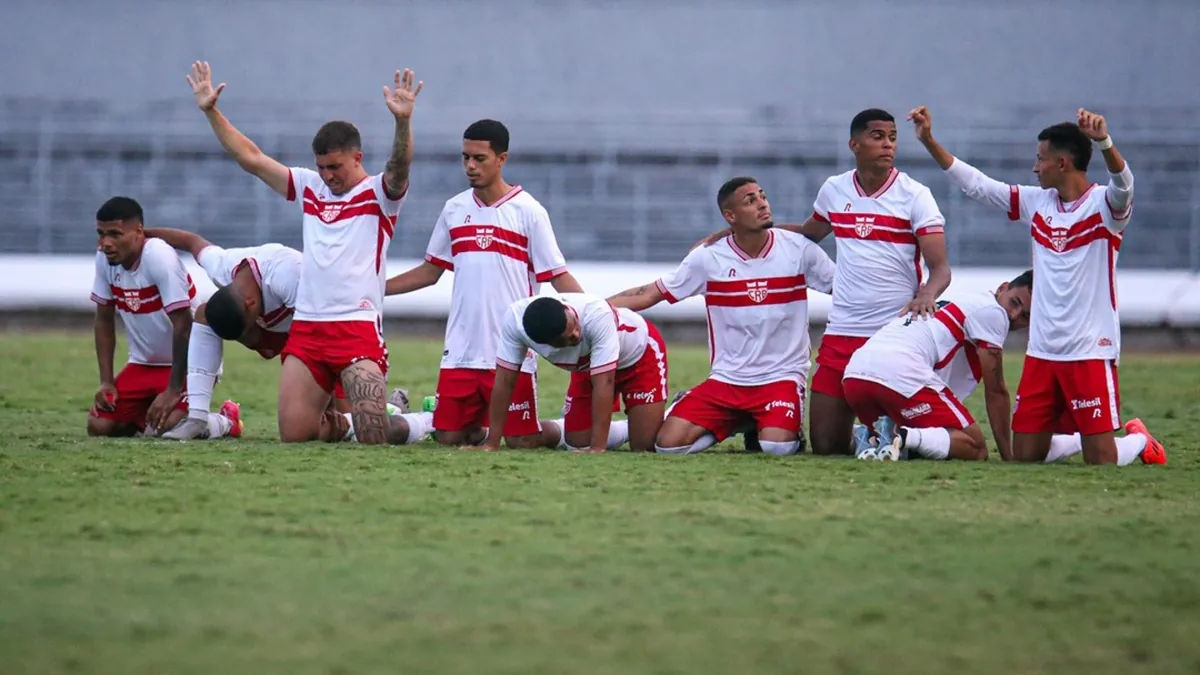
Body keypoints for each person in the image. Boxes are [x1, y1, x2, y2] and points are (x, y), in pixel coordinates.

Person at [908, 105, 1165, 465]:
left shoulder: (1104, 207)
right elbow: (979, 186)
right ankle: (1079, 436)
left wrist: (1105, 142)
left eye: (1040, 158)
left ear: (1062, 163)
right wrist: (930, 142)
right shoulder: (1037, 202)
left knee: (1102, 464)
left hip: (1089, 352)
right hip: (1042, 353)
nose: (1034, 167)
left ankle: (1137, 441)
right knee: (1025, 458)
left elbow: (1125, 185)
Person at [187, 61, 423, 445]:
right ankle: (351, 421)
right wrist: (210, 111)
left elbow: (400, 165)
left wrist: (402, 122)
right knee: (295, 436)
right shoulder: (311, 189)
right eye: (322, 167)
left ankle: (420, 421)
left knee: (375, 437)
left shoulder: (379, 195)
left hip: (356, 328)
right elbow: (252, 158)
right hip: (309, 330)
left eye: (336, 166)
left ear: (358, 158)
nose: (328, 175)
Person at [695, 109, 951, 455]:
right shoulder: (835, 189)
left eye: (892, 137)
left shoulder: (915, 195)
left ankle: (900, 438)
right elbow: (807, 234)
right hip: (842, 331)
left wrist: (926, 294)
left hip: (891, 332)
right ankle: (860, 437)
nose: (887, 144)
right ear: (854, 144)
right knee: (826, 446)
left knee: (913, 431)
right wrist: (739, 231)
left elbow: (940, 270)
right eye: (877, 136)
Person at [385, 119, 583, 448]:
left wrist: (595, 313)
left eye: (479, 158)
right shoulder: (454, 209)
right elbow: (430, 271)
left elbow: (558, 275)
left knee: (523, 443)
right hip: (461, 352)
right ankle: (423, 415)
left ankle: (565, 427)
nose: (470, 166)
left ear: (501, 159)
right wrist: (375, 288)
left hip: (510, 352)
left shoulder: (529, 212)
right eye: (465, 158)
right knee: (449, 438)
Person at [610, 177, 835, 455]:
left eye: (762, 196)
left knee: (777, 447)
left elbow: (845, 288)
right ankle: (738, 421)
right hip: (727, 380)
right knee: (667, 446)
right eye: (750, 201)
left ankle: (768, 425)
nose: (762, 203)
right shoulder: (707, 258)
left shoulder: (799, 249)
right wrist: (597, 308)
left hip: (781, 378)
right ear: (730, 216)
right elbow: (649, 293)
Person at [145, 227, 432, 444]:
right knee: (204, 315)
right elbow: (192, 242)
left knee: (353, 425)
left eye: (248, 331)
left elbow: (324, 334)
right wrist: (141, 234)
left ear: (252, 306)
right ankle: (197, 416)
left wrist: (328, 396)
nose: (252, 342)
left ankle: (413, 415)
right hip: (297, 333)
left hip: (337, 330)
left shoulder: (291, 277)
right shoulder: (223, 266)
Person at [842, 271, 1033, 461]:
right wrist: (1009, 456)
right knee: (974, 446)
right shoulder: (994, 312)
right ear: (1002, 288)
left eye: (1025, 316)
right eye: (1014, 303)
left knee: (936, 437)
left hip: (854, 376)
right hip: (898, 373)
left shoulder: (965, 301)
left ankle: (871, 436)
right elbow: (996, 391)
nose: (1014, 316)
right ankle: (899, 435)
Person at [484, 294, 669, 453]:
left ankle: (669, 413)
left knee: (644, 445)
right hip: (588, 366)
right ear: (544, 345)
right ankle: (631, 427)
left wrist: (597, 447)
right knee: (578, 442)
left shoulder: (596, 314)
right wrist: (492, 442)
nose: (575, 335)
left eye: (573, 325)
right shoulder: (514, 323)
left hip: (639, 357)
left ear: (566, 308)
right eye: (567, 339)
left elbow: (604, 382)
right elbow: (504, 381)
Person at [88, 197, 210, 437]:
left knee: (166, 428)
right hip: (143, 364)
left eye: (115, 234)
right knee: (99, 427)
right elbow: (103, 320)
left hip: (188, 366)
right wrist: (106, 381)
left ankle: (224, 420)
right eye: (101, 234)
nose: (106, 243)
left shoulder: (159, 256)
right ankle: (145, 418)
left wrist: (173, 389)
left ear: (138, 232)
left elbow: (184, 325)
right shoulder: (104, 258)